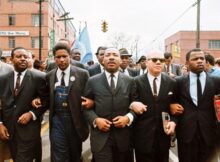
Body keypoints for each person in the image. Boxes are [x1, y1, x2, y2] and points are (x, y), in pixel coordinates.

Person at [83, 48, 137, 162]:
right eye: (108, 55)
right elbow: (85, 107)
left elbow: (135, 106)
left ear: (120, 60)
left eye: (115, 55)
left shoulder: (130, 81)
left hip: (123, 139)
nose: (111, 57)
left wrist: (127, 118)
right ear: (102, 60)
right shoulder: (92, 81)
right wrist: (96, 120)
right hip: (100, 138)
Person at [170, 48, 220, 162]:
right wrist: (172, 105)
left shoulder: (216, 81)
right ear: (187, 63)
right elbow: (173, 101)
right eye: (195, 59)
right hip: (186, 134)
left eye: (202, 58)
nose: (199, 61)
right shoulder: (179, 82)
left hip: (210, 134)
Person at [0, 47, 49, 162]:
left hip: (29, 131)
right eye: (19, 56)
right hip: (9, 131)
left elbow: (46, 101)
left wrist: (32, 114)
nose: (23, 59)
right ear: (11, 59)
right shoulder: (2, 79)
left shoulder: (39, 78)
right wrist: (0, 123)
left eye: (25, 57)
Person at [46, 43, 90, 162]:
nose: (61, 60)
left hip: (75, 120)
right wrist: (37, 99)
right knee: (59, 155)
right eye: (58, 57)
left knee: (74, 154)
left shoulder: (82, 74)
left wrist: (90, 102)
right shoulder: (50, 75)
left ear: (69, 56)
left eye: (64, 56)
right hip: (57, 120)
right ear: (54, 58)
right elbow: (45, 96)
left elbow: (89, 95)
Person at [130, 50, 176, 162]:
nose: (158, 62)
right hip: (142, 137)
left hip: (163, 137)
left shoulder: (171, 82)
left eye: (161, 60)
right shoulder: (135, 81)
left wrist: (173, 121)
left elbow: (175, 107)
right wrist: (131, 104)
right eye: (155, 60)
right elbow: (128, 103)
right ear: (146, 62)